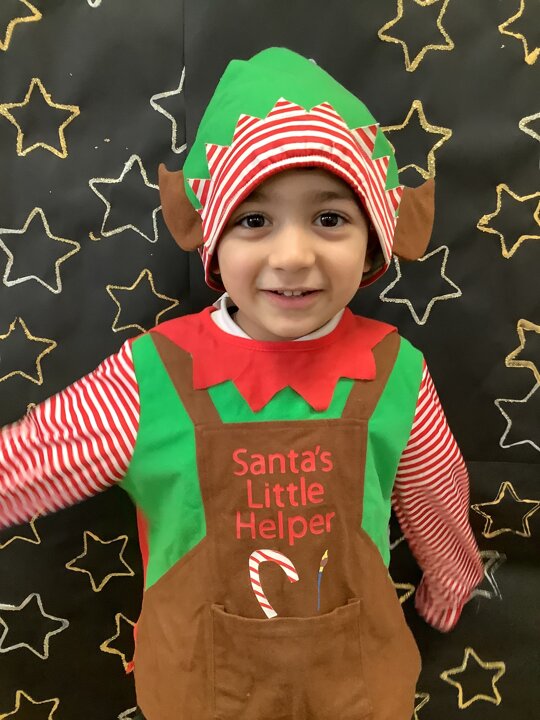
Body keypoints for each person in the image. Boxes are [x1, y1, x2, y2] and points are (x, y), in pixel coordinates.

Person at [0, 47, 482, 720]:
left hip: (359, 689)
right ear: (214, 242)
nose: (293, 255)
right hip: (199, 690)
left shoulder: (398, 369)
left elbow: (435, 493)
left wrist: (450, 583)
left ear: (373, 240)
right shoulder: (151, 376)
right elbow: (24, 465)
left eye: (330, 218)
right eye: (254, 220)